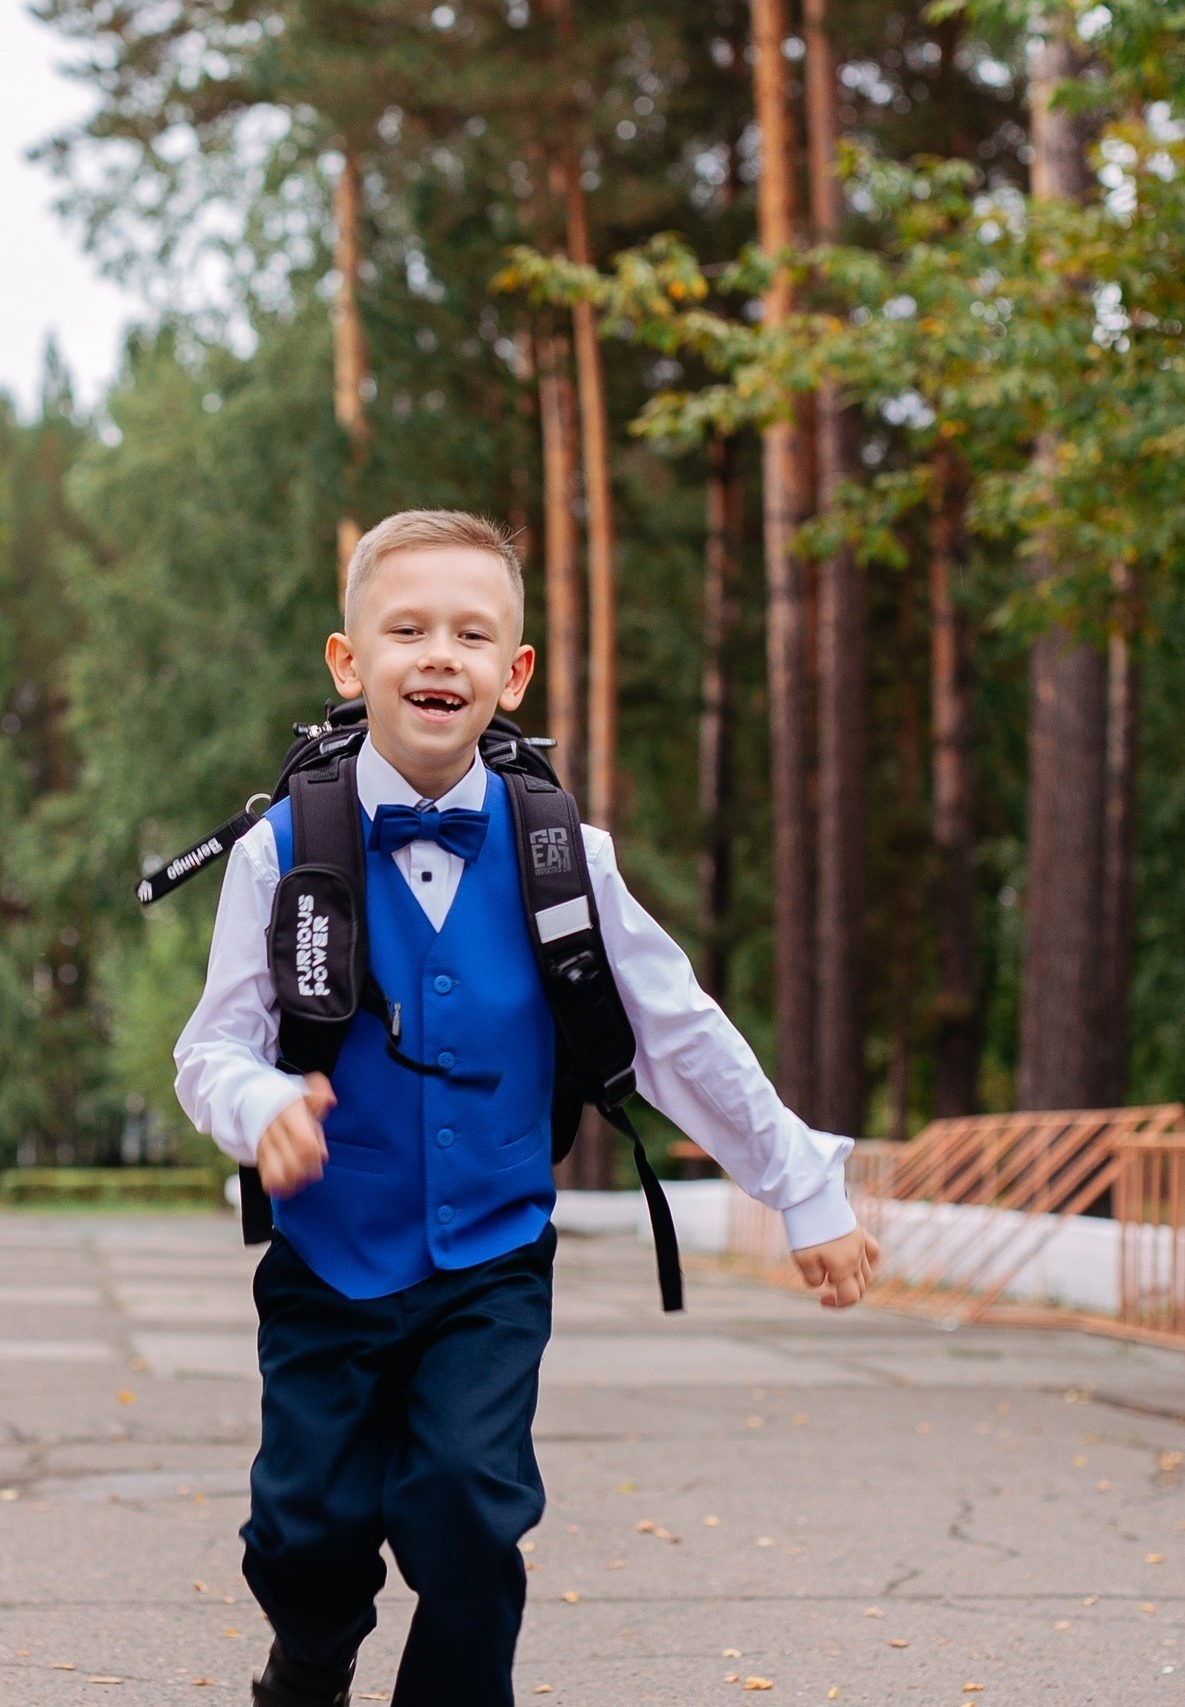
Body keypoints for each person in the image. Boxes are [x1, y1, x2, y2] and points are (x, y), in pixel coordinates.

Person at [172, 509, 882, 1707]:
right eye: (406, 629)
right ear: (348, 662)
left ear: (514, 673)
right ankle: (310, 1661)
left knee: (468, 1507)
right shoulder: (282, 850)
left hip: (491, 1260)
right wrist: (259, 1104)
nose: (437, 655)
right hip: (328, 1259)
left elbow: (677, 1033)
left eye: (471, 634)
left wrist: (803, 1188)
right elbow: (212, 1048)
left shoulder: (566, 856)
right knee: (305, 1533)